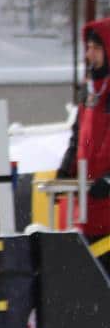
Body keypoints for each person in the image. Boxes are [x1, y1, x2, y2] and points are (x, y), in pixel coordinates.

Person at [58, 17, 110, 268]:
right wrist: (64, 170)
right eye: (88, 48)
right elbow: (77, 136)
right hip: (87, 206)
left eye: (96, 48)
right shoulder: (88, 92)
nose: (89, 54)